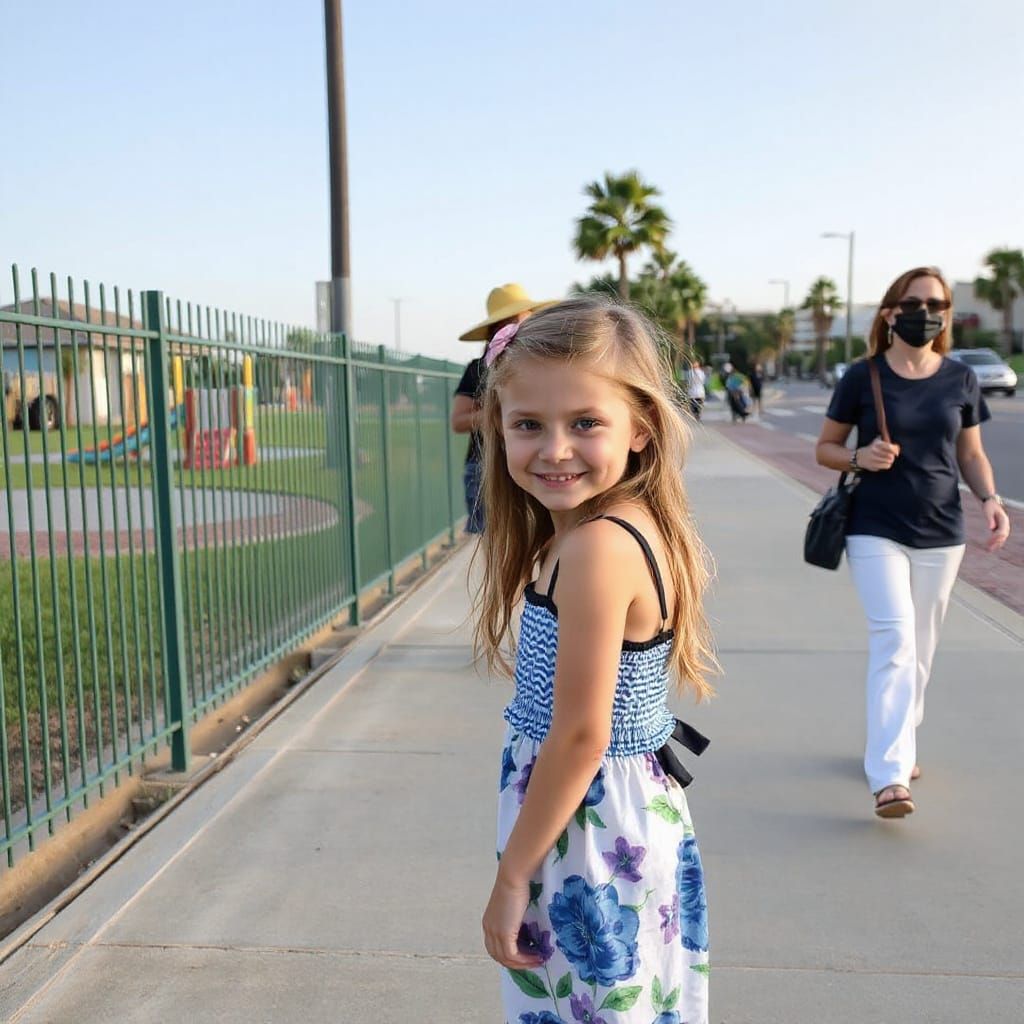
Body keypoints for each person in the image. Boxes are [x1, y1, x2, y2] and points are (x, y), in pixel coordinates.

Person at [475, 296, 716, 1023]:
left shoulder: (598, 547)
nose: (554, 449)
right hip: (605, 810)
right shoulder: (616, 528)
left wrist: (512, 876)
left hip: (591, 829)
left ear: (642, 427)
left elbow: (582, 735)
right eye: (528, 425)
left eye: (585, 423)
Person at [815, 266, 1010, 819]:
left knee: (920, 648)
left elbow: (970, 453)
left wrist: (990, 500)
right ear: (890, 311)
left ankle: (897, 739)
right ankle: (890, 775)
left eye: (936, 303)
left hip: (942, 531)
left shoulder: (959, 378)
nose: (926, 312)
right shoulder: (863, 375)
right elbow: (825, 448)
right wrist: (859, 456)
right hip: (876, 526)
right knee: (896, 639)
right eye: (915, 302)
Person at [453, 284, 555, 532]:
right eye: (514, 322)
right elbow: (458, 421)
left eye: (527, 318)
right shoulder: (478, 369)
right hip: (487, 468)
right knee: (497, 549)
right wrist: (500, 414)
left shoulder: (546, 365)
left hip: (539, 460)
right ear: (497, 330)